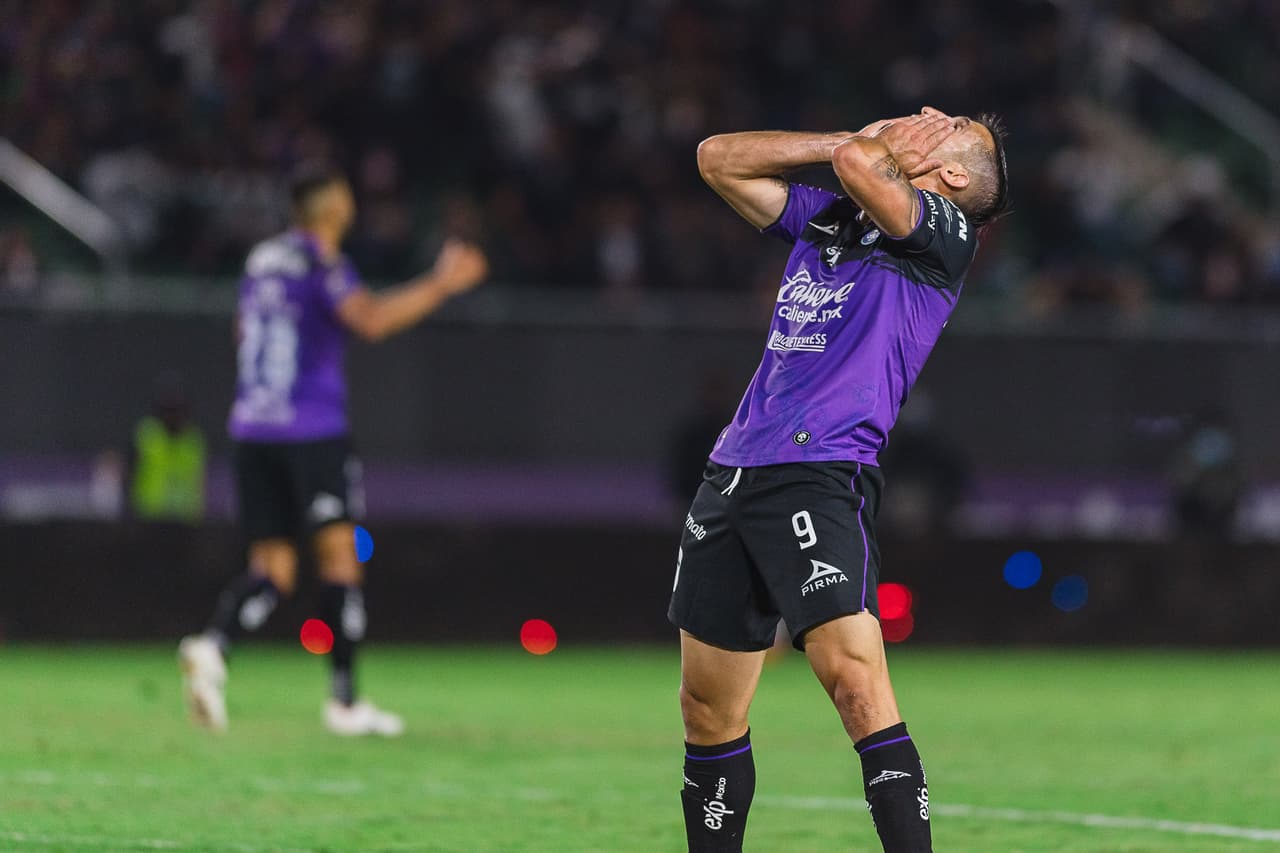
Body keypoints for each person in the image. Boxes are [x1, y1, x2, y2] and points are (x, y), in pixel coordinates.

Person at [668, 107, 1009, 852]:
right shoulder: (833, 217)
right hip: (733, 471)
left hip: (820, 472)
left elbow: (861, 166)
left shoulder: (945, 237)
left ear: (951, 174)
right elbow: (717, 155)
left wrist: (868, 148)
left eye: (944, 124)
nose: (925, 114)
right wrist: (841, 144)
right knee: (707, 709)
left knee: (855, 685)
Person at [179, 168, 488, 736]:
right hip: (311, 431)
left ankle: (213, 646)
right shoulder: (324, 265)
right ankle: (344, 702)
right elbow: (370, 321)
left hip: (252, 428)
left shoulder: (261, 262)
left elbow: (243, 334)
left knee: (272, 570)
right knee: (341, 559)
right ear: (328, 208)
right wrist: (442, 284)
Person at [129, 372, 206, 523]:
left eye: (177, 410)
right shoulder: (146, 435)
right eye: (168, 410)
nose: (173, 416)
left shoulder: (194, 441)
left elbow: (200, 483)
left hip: (186, 521)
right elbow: (129, 475)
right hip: (149, 518)